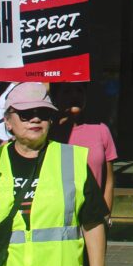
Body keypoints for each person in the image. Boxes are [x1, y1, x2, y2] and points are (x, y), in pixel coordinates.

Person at [0, 82, 108, 266]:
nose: (35, 118)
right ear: (8, 122)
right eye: (26, 113)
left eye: (43, 112)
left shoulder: (73, 160)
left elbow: (93, 223)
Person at [50, 83, 118, 214]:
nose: (74, 96)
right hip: (58, 216)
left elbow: (109, 181)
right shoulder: (48, 133)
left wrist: (106, 217)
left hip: (93, 216)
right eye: (67, 91)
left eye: (79, 90)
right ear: (56, 97)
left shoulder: (100, 130)